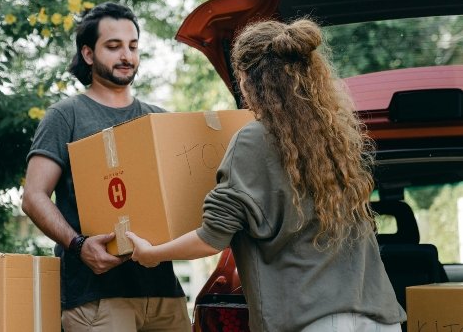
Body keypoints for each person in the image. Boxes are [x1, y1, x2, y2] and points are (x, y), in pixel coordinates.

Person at [126, 18, 407, 331]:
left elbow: (211, 239)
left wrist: (152, 254)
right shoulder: (336, 138)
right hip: (381, 319)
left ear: (248, 79)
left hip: (313, 321)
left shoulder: (253, 140)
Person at [21, 2, 190, 332]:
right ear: (88, 54)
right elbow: (33, 196)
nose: (126, 56)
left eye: (133, 46)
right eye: (113, 46)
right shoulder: (65, 116)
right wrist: (79, 246)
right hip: (97, 297)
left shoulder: (159, 119)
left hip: (164, 294)